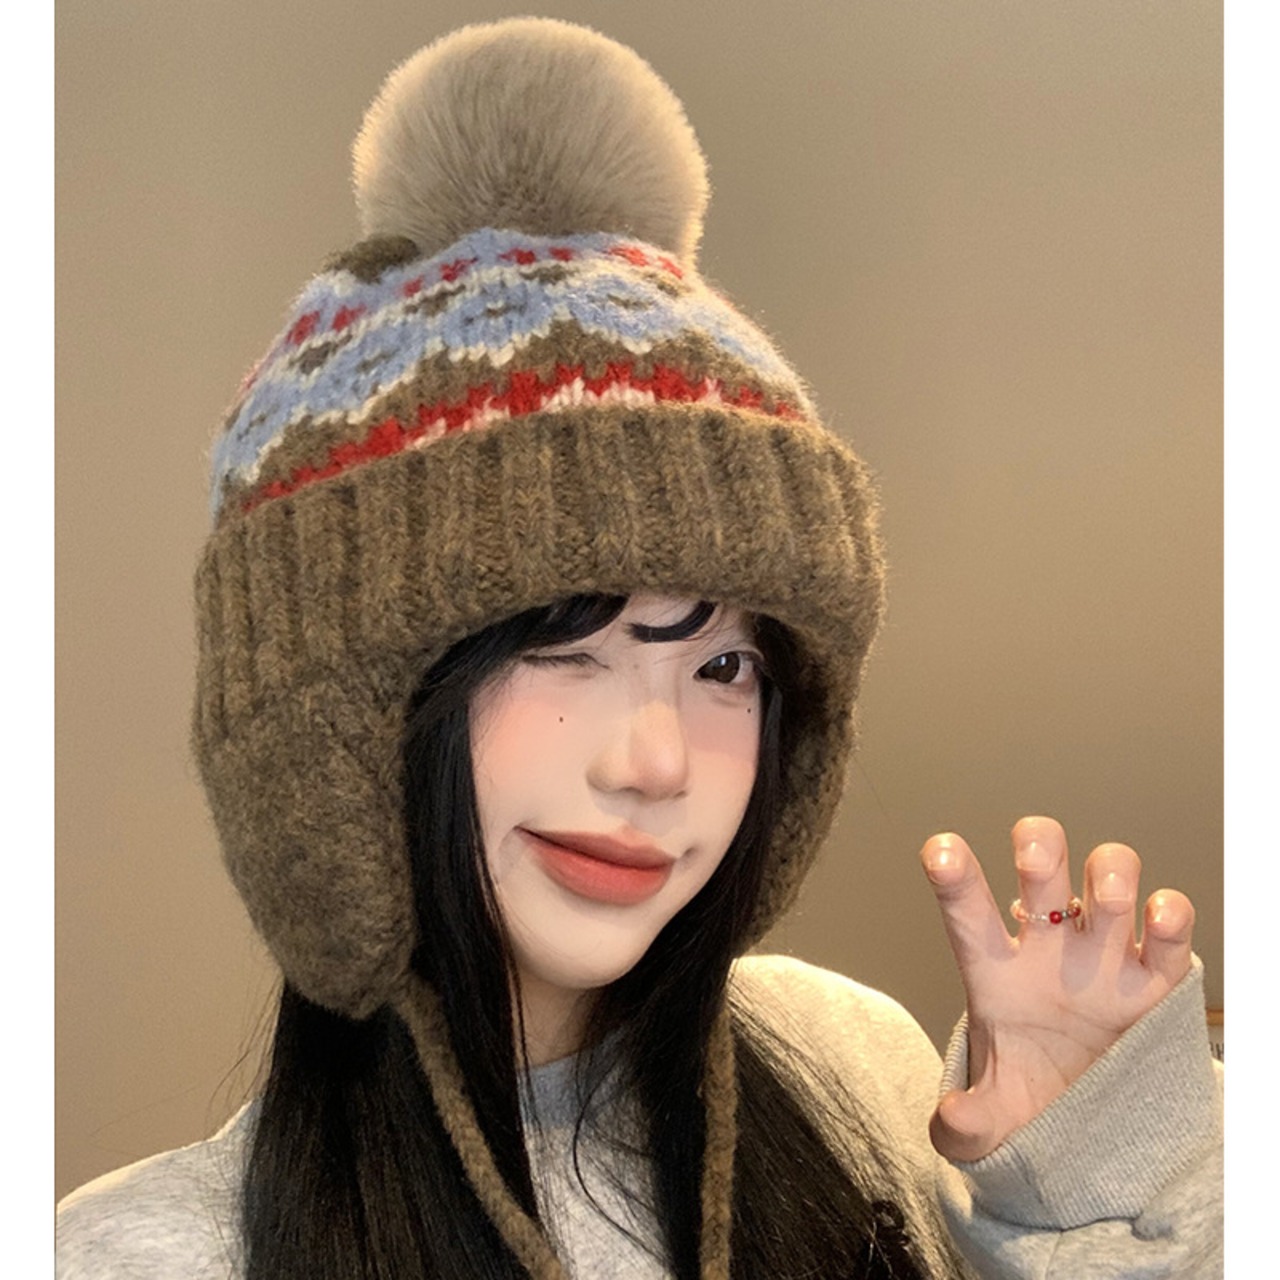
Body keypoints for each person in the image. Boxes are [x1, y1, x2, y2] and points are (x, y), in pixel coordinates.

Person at [55, 18, 1222, 1279]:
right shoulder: (146, 1254)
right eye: (565, 646)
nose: (658, 761)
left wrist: (1090, 1188)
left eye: (723, 666)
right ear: (333, 723)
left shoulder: (856, 1064)